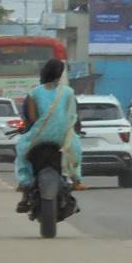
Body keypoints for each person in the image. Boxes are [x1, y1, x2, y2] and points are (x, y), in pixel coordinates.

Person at [14, 58, 83, 212]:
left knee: (22, 151)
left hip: (39, 136)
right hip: (62, 137)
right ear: (60, 74)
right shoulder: (68, 92)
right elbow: (73, 116)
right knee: (76, 148)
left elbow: (31, 118)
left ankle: (24, 185)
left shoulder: (34, 93)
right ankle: (76, 180)